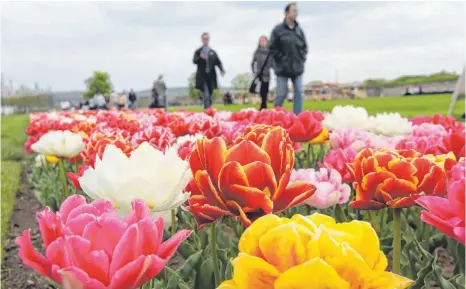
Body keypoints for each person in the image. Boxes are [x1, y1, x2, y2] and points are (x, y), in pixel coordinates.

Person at [269, 2, 308, 114]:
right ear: (286, 13)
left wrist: (301, 59)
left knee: (299, 93)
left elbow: (305, 47)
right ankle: (274, 116)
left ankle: (298, 117)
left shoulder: (299, 30)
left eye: (297, 11)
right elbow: (272, 48)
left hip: (297, 68)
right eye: (294, 11)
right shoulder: (278, 30)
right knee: (281, 94)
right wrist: (281, 59)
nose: (296, 13)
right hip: (282, 69)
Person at [193, 32, 225, 109]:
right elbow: (194, 61)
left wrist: (221, 70)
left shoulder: (212, 52)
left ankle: (209, 111)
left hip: (211, 77)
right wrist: (200, 58)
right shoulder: (198, 51)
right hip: (202, 77)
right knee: (206, 95)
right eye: (204, 39)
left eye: (207, 39)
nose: (205, 40)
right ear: (202, 40)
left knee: (210, 96)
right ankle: (207, 111)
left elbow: (218, 62)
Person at [251, 35, 273, 110]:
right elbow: (253, 63)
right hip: (259, 74)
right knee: (261, 91)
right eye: (261, 41)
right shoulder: (257, 52)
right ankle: (263, 105)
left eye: (264, 41)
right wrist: (254, 72)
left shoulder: (270, 52)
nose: (262, 42)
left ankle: (263, 105)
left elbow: (273, 63)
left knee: (265, 90)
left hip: (267, 74)